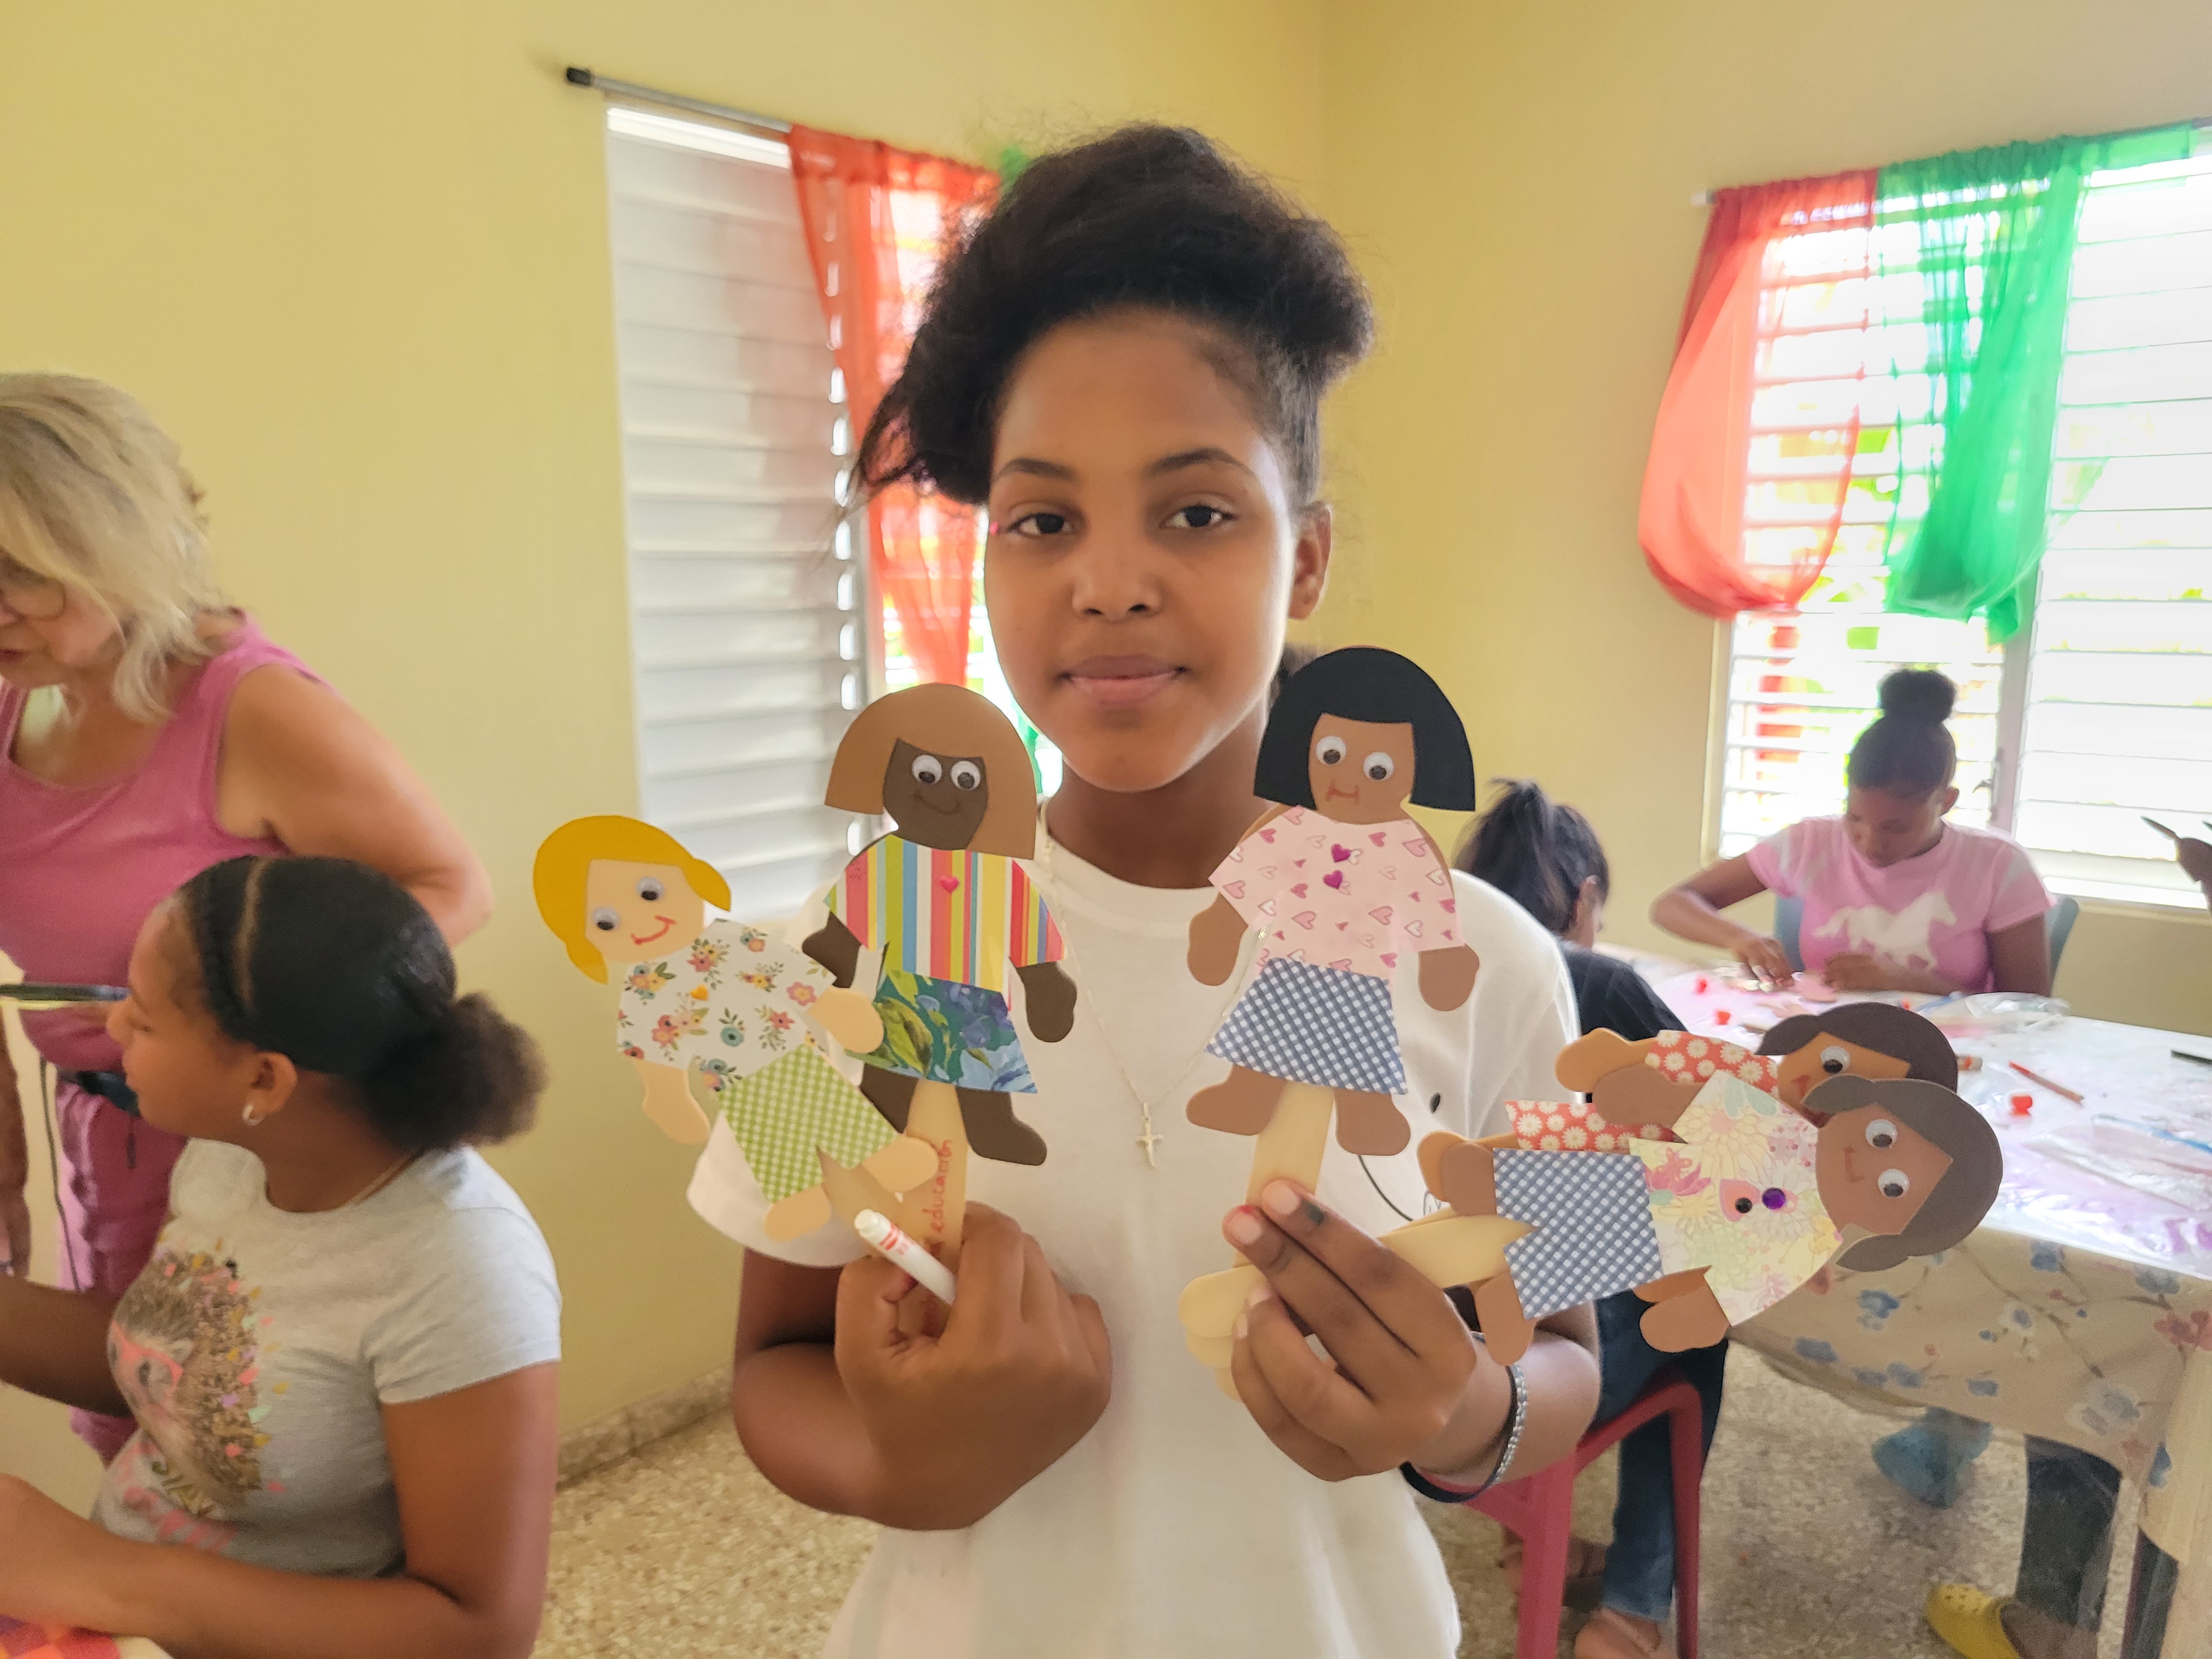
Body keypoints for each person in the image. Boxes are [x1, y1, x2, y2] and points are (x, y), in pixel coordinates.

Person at [686, 126, 1601, 1659]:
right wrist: (908, 1469)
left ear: (1304, 560)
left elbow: (1568, 1350)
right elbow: (773, 1365)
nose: (1107, 581)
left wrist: (1462, 1414)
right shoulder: (855, 953)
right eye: (1043, 520)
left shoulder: (1492, 960)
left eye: (1195, 511)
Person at [0, 372, 492, 1461]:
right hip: (108, 1132)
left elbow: (448, 888)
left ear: (117, 542)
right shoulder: (12, 701)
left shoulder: (252, 708)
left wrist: (234, 1035)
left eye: (17, 571)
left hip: (256, 1143)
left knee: (251, 1449)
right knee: (140, 1428)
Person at [0, 855, 560, 1656]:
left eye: (145, 1019)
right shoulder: (231, 1158)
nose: (114, 1028)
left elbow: (479, 1632)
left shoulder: (463, 1272)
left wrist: (107, 1574)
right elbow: (183, 1371)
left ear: (265, 1080)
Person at [1458, 780, 1713, 1657]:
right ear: (1586, 901)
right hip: (1543, 1370)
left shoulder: (1430, 973)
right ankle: (1631, 1611)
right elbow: (1726, 1130)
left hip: (1434, 1342)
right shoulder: (1599, 982)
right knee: (1696, 1317)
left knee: (1529, 1251)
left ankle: (1536, 1548)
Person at [1651, 669, 2053, 996]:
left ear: (1946, 802)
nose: (1870, 844)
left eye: (1897, 827)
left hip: (1955, 1048)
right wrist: (1739, 938)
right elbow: (1672, 904)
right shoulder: (1810, 842)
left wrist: (1910, 981)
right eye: (1855, 818)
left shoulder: (1998, 865)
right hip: (1826, 1041)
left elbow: (2029, 1006)